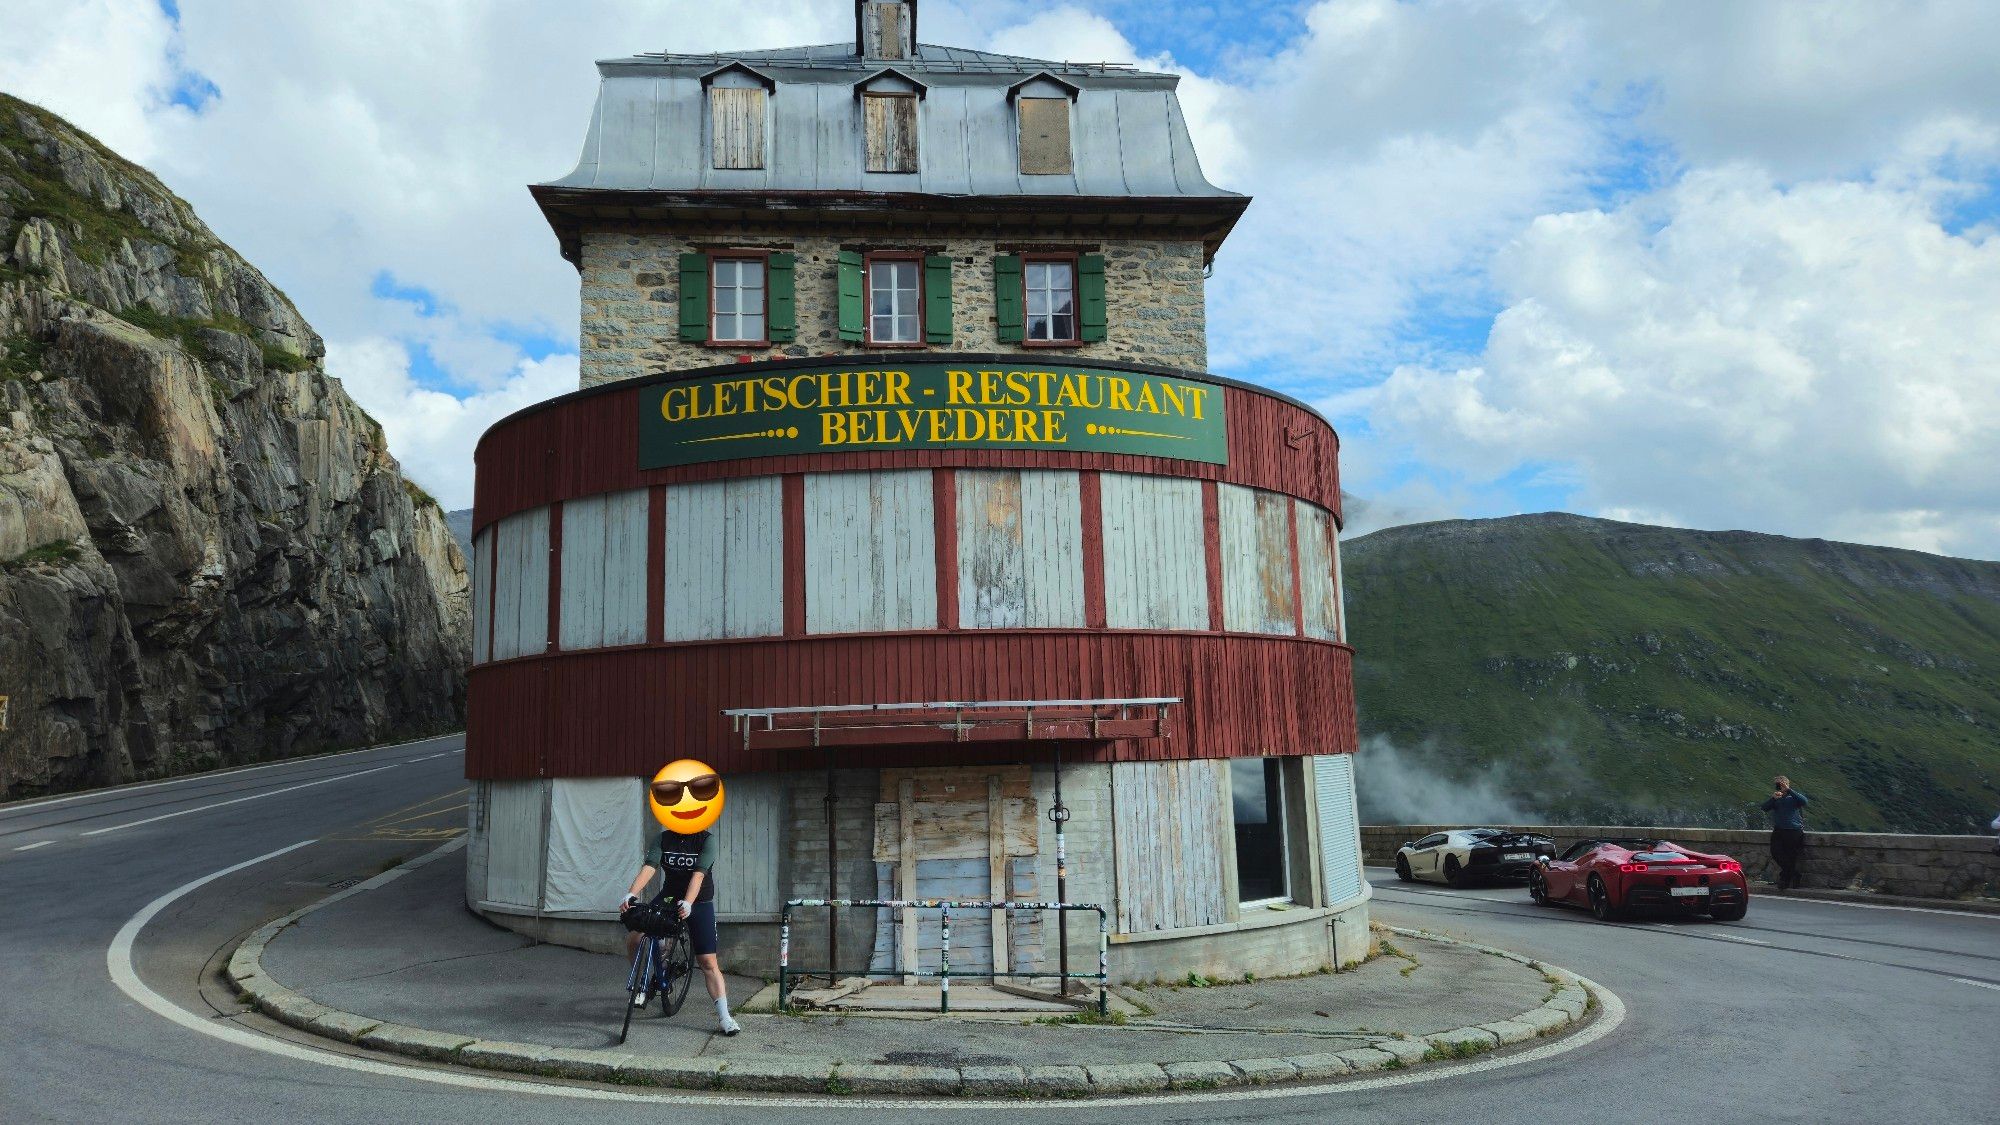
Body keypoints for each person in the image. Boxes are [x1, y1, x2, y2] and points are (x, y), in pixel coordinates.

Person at [620, 817, 739, 1036]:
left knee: (708, 962)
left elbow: (699, 874)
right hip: (669, 896)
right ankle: (642, 985)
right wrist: (632, 892)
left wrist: (689, 902)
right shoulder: (663, 838)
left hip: (699, 901)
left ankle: (725, 1017)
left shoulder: (706, 840)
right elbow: (649, 867)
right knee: (635, 938)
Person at [1760, 775, 1809, 891]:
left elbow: (1804, 801)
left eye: (1781, 784)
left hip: (1793, 831)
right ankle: (1795, 874)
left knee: (1791, 856)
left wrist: (1789, 790)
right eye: (1777, 785)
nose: (1779, 787)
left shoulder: (1794, 798)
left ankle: (1785, 880)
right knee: (1776, 852)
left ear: (1786, 784)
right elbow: (1764, 808)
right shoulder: (1776, 799)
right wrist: (1773, 798)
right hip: (1779, 830)